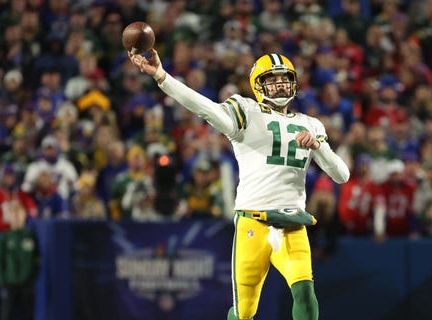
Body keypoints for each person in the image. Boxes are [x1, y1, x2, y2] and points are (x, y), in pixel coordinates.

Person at [129, 50, 349, 320]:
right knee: (244, 311)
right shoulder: (247, 110)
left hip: (291, 223)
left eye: (284, 79)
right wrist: (163, 77)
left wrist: (318, 147)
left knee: (304, 291)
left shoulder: (310, 124)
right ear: (258, 84)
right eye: (272, 79)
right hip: (252, 223)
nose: (280, 84)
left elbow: (342, 176)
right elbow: (204, 108)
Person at [0, 199, 40, 320]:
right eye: (13, 214)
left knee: (28, 315)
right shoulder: (5, 237)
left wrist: (33, 277)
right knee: (6, 315)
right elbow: (0, 261)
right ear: (9, 217)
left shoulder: (31, 235)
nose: (17, 217)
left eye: (19, 213)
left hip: (27, 284)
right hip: (9, 284)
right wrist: (2, 281)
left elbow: (37, 258)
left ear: (24, 215)